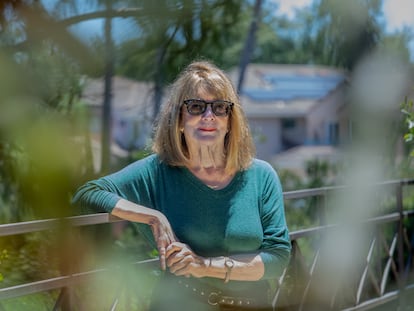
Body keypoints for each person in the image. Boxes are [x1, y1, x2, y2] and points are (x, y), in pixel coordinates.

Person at [72, 60, 291, 311]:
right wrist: (152, 216)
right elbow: (86, 195)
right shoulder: (158, 172)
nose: (208, 116)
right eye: (196, 107)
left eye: (219, 107)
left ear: (230, 120)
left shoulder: (261, 176)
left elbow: (278, 257)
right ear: (178, 119)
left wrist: (203, 266)